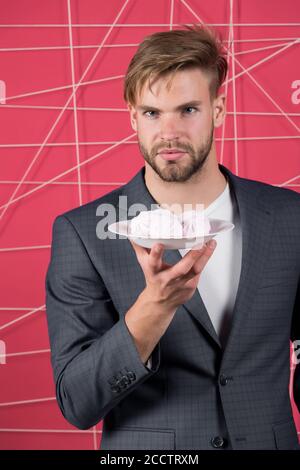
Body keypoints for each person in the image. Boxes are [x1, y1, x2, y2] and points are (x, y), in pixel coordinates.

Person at [45, 24, 300, 450]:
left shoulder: (290, 216)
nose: (169, 132)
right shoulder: (83, 233)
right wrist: (153, 310)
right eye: (151, 113)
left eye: (188, 110)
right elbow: (77, 401)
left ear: (218, 110)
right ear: (132, 117)